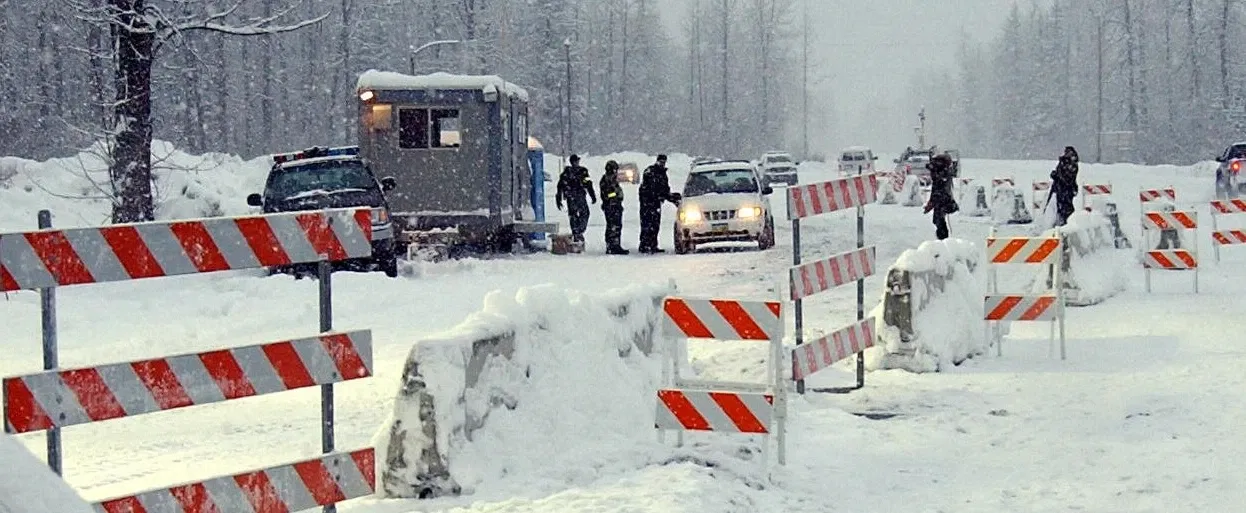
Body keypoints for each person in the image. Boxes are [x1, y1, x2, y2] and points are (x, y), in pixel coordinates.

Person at [637, 154, 680, 253]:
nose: (662, 163)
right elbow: (653, 189)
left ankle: (653, 245)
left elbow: (664, 189)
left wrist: (671, 197)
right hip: (647, 204)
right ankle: (644, 245)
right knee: (647, 224)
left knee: (655, 225)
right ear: (657, 161)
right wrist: (666, 196)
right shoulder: (650, 172)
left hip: (655, 204)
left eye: (664, 162)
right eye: (661, 161)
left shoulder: (662, 173)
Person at [555, 154, 596, 243]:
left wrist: (592, 195)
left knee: (580, 215)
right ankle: (577, 232)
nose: (577, 163)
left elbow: (588, 184)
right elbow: (560, 187)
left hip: (576, 196)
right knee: (577, 215)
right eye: (576, 161)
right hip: (574, 197)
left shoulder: (581, 172)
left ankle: (577, 232)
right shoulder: (569, 173)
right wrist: (558, 199)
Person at [922, 153, 958, 240]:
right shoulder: (945, 174)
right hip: (943, 200)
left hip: (941, 201)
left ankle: (943, 241)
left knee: (939, 220)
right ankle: (943, 239)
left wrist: (931, 204)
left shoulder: (940, 177)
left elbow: (937, 191)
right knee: (938, 220)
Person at [599, 160, 629, 255]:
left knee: (617, 226)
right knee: (612, 226)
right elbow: (606, 194)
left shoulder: (612, 179)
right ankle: (612, 246)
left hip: (616, 206)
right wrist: (615, 195)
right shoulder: (606, 180)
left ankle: (615, 245)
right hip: (611, 206)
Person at [1049, 146, 1079, 227]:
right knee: (1057, 208)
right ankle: (1059, 223)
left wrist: (1057, 176)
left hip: (1065, 191)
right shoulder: (1064, 163)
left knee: (1065, 209)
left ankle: (1065, 224)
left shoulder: (1071, 164)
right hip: (1060, 190)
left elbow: (1068, 179)